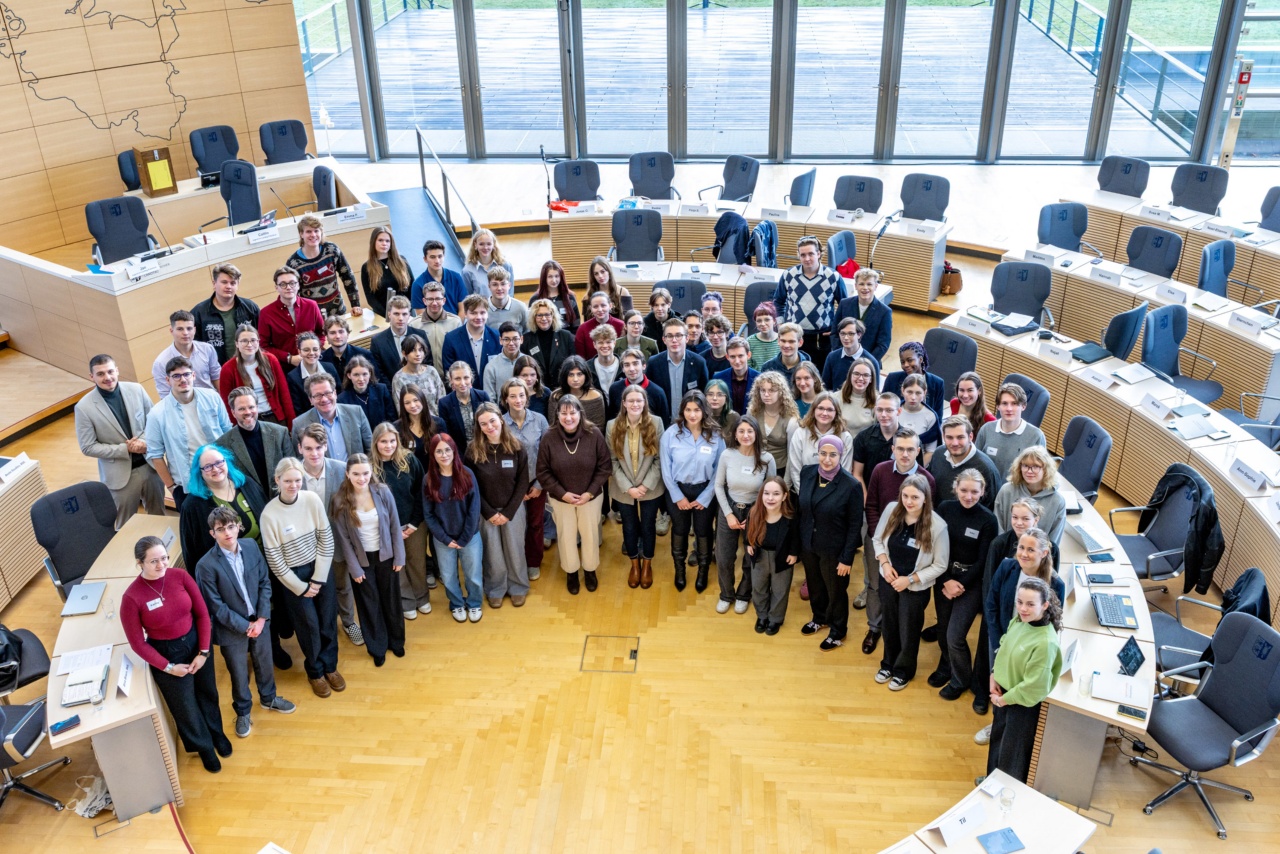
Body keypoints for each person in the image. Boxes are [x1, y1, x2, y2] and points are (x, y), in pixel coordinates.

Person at [122, 536, 229, 773]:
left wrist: (203, 652)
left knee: (207, 692)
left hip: (195, 642)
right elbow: (138, 643)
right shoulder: (131, 597)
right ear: (140, 563)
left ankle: (216, 733)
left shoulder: (180, 577)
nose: (161, 565)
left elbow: (202, 615)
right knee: (185, 706)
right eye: (153, 561)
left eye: (164, 558)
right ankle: (204, 747)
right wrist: (169, 667)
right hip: (166, 652)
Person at [195, 507, 297, 740]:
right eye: (220, 529)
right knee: (239, 673)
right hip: (232, 628)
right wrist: (245, 626)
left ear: (238, 526)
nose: (227, 533)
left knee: (265, 662)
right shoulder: (205, 565)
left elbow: (264, 582)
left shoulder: (251, 547)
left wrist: (261, 619)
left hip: (259, 621)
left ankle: (269, 698)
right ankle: (242, 711)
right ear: (213, 534)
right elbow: (215, 605)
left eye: (231, 527)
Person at [261, 458, 344, 698]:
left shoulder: (312, 500)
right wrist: (301, 587)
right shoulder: (269, 515)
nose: (293, 485)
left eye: (298, 480)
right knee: (308, 627)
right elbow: (275, 560)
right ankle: (316, 671)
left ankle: (330, 667)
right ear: (277, 481)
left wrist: (318, 579)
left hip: (320, 567)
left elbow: (326, 539)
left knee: (328, 619)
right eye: (287, 481)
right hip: (293, 577)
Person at [983, 526, 1065, 738]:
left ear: (1044, 553)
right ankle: (996, 724)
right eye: (1021, 547)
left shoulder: (1055, 583)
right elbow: (991, 604)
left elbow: (1053, 621)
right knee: (998, 685)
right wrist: (999, 640)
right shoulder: (1007, 566)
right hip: (1003, 637)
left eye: (1031, 549)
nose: (1024, 554)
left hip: (1027, 647)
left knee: (1017, 692)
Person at [861, 427, 936, 654]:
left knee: (904, 590)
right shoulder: (880, 470)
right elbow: (871, 505)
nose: (905, 454)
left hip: (910, 547)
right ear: (893, 449)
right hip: (879, 540)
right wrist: (879, 539)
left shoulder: (927, 479)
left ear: (918, 451)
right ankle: (875, 628)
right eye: (900, 449)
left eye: (910, 449)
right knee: (875, 584)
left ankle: (900, 634)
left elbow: (929, 517)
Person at [872, 475, 948, 688]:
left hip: (914, 588)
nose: (909, 501)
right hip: (888, 579)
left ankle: (903, 670)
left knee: (908, 629)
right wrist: (885, 564)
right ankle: (887, 663)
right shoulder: (891, 510)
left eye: (915, 497)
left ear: (926, 498)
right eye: (905, 496)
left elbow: (940, 565)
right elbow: (877, 540)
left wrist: (911, 580)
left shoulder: (937, 526)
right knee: (889, 624)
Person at [329, 454, 406, 667]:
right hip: (361, 561)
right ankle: (377, 646)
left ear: (371, 472)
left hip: (386, 555)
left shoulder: (383, 492)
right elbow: (343, 539)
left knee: (391, 600)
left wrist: (399, 556)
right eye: (356, 474)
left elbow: (394, 524)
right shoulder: (340, 500)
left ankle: (396, 641)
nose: (361, 478)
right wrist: (354, 568)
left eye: (365, 473)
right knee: (369, 604)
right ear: (347, 474)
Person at [987, 577, 1064, 784]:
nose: (1022, 609)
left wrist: (1003, 700)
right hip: (1003, 695)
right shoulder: (1021, 620)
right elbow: (1004, 646)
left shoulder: (1045, 643)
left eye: (1030, 604)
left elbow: (1034, 687)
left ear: (1045, 605)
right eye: (1019, 602)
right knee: (997, 742)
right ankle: (990, 782)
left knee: (1011, 756)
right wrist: (994, 674)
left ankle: (1003, 794)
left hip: (1020, 705)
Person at [75, 354, 165, 527]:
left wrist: (144, 442)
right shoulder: (83, 407)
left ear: (117, 370)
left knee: (159, 516)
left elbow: (154, 421)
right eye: (100, 374)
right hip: (120, 476)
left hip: (151, 466)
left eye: (110, 371)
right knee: (123, 526)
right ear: (91, 377)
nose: (107, 377)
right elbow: (87, 447)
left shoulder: (136, 389)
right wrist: (125, 450)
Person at [295, 424, 363, 649]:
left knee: (343, 585)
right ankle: (324, 628)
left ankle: (349, 622)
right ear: (299, 448)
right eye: (308, 448)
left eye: (318, 447)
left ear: (325, 447)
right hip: (306, 547)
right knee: (316, 589)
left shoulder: (341, 469)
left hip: (338, 542)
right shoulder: (293, 475)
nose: (314, 453)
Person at [933, 469, 998, 702]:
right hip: (943, 575)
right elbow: (935, 547)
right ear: (955, 489)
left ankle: (961, 679)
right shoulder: (944, 509)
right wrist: (945, 581)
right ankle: (946, 665)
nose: (968, 496)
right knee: (942, 629)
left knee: (955, 636)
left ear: (982, 492)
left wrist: (958, 584)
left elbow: (983, 561)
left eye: (974, 491)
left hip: (970, 584)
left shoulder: (988, 520)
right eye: (963, 490)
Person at [536, 395, 612, 595]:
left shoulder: (593, 433)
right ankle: (571, 572)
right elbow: (543, 472)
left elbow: (605, 467)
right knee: (566, 536)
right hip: (562, 499)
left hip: (591, 497)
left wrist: (589, 493)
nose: (568, 417)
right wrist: (563, 494)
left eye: (572, 412)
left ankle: (589, 570)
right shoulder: (549, 437)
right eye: (564, 413)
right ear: (557, 415)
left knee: (590, 535)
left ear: (580, 413)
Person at [796, 435, 864, 651]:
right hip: (809, 544)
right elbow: (802, 512)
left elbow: (855, 525)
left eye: (832, 454)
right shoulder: (807, 472)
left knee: (836, 591)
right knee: (815, 586)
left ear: (840, 456)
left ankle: (837, 630)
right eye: (823, 453)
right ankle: (820, 617)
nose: (827, 459)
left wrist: (847, 558)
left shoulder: (851, 485)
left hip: (835, 550)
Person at [146, 356, 234, 511]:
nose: (183, 379)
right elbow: (155, 455)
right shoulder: (157, 414)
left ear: (193, 375)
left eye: (186, 374)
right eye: (176, 376)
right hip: (187, 484)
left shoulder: (213, 397)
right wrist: (172, 487)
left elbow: (228, 434)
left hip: (221, 475)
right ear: (168, 380)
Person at [660, 391, 725, 593]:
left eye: (697, 410)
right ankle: (679, 571)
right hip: (677, 489)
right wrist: (677, 496)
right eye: (688, 410)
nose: (692, 414)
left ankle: (703, 572)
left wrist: (706, 496)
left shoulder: (716, 435)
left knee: (703, 531)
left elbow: (719, 469)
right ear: (682, 411)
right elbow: (665, 468)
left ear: (704, 410)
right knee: (679, 530)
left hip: (705, 489)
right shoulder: (671, 434)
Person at [468, 403, 531, 608]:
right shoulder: (472, 451)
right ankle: (495, 588)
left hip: (513, 510)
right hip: (485, 512)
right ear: (479, 426)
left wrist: (509, 512)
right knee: (492, 552)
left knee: (515, 549)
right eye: (483, 423)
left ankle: (518, 587)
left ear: (501, 420)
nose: (489, 426)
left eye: (492, 421)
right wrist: (487, 512)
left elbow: (523, 481)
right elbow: (472, 486)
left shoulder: (517, 446)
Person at [714, 415, 776, 614]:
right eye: (741, 431)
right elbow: (718, 485)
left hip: (755, 510)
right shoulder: (727, 455)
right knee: (724, 557)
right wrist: (728, 514)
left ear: (756, 434)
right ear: (735, 434)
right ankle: (726, 594)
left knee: (751, 557)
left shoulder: (767, 458)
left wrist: (755, 516)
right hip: (729, 508)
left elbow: (772, 490)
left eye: (750, 431)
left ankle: (743, 594)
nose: (746, 435)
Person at [370, 423, 431, 621]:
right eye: (383, 441)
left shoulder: (409, 460)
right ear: (375, 442)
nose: (389, 445)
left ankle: (421, 597)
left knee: (416, 561)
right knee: (398, 564)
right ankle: (406, 601)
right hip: (387, 528)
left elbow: (422, 492)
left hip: (413, 524)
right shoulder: (369, 467)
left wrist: (414, 523)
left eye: (392, 441)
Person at [178, 443, 268, 577]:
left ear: (227, 462)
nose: (215, 469)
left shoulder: (247, 484)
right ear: (200, 472)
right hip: (230, 578)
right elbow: (191, 553)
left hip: (268, 564)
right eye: (208, 467)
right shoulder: (192, 506)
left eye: (219, 462)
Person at [607, 385, 665, 589]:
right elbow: (612, 462)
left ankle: (647, 564)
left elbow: (659, 459)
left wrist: (645, 485)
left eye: (639, 401)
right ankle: (634, 565)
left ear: (644, 403)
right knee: (629, 527)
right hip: (624, 489)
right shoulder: (612, 426)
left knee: (648, 526)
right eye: (630, 400)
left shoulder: (656, 423)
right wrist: (628, 488)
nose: (634, 404)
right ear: (623, 403)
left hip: (650, 487)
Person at [424, 434, 484, 622]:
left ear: (454, 451)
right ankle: (457, 604)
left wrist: (465, 537)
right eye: (439, 451)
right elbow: (429, 514)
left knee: (473, 574)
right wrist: (444, 538)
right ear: (433, 455)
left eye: (447, 450)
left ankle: (474, 603)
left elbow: (474, 510)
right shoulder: (429, 480)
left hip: (469, 537)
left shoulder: (467, 474)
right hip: (443, 540)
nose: (444, 455)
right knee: (449, 577)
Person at [501, 377, 551, 582]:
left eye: (521, 395)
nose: (518, 400)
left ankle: (533, 561)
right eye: (512, 396)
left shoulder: (539, 420)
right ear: (505, 399)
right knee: (514, 526)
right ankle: (516, 562)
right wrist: (517, 489)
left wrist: (539, 485)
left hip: (537, 482)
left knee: (536, 524)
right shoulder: (501, 423)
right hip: (511, 486)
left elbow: (548, 454)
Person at [773, 235, 845, 367]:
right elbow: (778, 301)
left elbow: (844, 305)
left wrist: (837, 327)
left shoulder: (833, 277)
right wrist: (780, 324)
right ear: (798, 255)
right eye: (803, 255)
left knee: (819, 375)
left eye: (811, 254)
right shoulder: (788, 275)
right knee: (794, 375)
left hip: (821, 337)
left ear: (818, 254)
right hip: (793, 336)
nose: (807, 259)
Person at [216, 387, 295, 496]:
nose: (248, 412)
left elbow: (292, 469)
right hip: (250, 504)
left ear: (257, 408)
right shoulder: (223, 444)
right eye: (241, 409)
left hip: (282, 498)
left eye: (251, 407)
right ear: (233, 413)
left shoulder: (280, 432)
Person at [745, 476, 798, 635]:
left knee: (780, 590)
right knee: (758, 588)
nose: (770, 498)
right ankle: (762, 615)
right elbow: (749, 531)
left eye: (776, 494)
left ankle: (775, 618)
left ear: (784, 496)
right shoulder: (754, 512)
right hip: (760, 557)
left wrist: (794, 553)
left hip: (781, 558)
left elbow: (796, 537)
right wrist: (749, 543)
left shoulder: (790, 516)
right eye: (766, 493)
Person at [219, 323, 294, 428]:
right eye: (244, 341)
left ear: (258, 342)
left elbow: (284, 394)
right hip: (247, 422)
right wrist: (236, 428)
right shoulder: (228, 369)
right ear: (236, 344)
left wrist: (291, 424)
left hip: (275, 418)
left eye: (253, 340)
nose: (249, 344)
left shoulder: (271, 360)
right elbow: (227, 405)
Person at [285, 214, 362, 317]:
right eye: (308, 231)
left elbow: (347, 276)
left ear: (321, 232)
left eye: (316, 231)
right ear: (301, 234)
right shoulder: (293, 263)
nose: (313, 235)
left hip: (339, 313)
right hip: (313, 317)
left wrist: (355, 304)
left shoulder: (331, 250)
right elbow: (292, 295)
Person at [993, 446, 1067, 545]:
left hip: (1038, 556)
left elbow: (1053, 542)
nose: (1029, 471)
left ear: (1046, 469)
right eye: (1025, 466)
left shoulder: (1058, 501)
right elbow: (998, 528)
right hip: (1006, 552)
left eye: (1036, 466)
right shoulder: (1006, 491)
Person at [291, 373, 373, 462]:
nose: (324, 399)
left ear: (335, 393)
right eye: (318, 395)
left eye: (328, 393)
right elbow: (300, 460)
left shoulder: (356, 413)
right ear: (311, 400)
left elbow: (370, 449)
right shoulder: (300, 424)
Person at [928, 415, 1002, 510]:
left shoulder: (986, 468)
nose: (955, 443)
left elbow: (991, 507)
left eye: (960, 437)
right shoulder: (938, 454)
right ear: (943, 437)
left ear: (970, 436)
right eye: (949, 437)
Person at [975, 382, 1046, 482]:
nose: (1009, 409)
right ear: (998, 406)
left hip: (1018, 494)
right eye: (1004, 403)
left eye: (1014, 404)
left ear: (1023, 406)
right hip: (986, 491)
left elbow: (1039, 475)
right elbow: (975, 465)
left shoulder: (1036, 436)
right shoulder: (986, 430)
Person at [258, 267, 325, 371]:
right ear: (276, 287)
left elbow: (321, 333)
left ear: (298, 285)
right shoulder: (266, 313)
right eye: (283, 284)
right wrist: (288, 358)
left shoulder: (311, 306)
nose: (288, 287)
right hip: (285, 368)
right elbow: (263, 347)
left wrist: (314, 351)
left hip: (314, 363)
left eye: (292, 283)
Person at [785, 392, 853, 493]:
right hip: (804, 492)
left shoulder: (845, 437)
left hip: (833, 494)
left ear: (836, 413)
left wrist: (831, 499)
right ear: (813, 410)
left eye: (829, 410)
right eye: (821, 408)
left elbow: (845, 471)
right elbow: (795, 469)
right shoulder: (800, 433)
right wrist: (805, 496)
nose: (824, 413)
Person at [192, 263, 259, 363]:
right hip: (216, 370)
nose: (229, 286)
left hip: (249, 364)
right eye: (224, 282)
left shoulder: (250, 307)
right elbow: (193, 347)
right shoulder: (198, 312)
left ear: (237, 285)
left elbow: (261, 337)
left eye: (233, 283)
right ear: (214, 284)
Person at [646, 317, 709, 410]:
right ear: (664, 339)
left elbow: (704, 395)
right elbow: (649, 395)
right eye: (670, 336)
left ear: (687, 338)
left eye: (678, 335)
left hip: (690, 420)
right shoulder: (654, 363)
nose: (674, 340)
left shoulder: (699, 363)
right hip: (662, 421)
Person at [154, 310, 220, 397]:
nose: (185, 333)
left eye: (189, 328)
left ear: (194, 330)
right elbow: (165, 395)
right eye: (180, 329)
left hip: (211, 402)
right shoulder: (161, 362)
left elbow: (217, 378)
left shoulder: (207, 349)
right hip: (182, 407)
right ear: (171, 331)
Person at [832, 268, 892, 362]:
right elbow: (834, 332)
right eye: (861, 284)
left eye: (869, 284)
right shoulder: (844, 304)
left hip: (869, 363)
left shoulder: (885, 312)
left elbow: (883, 344)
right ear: (855, 286)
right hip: (843, 358)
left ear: (876, 286)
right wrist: (840, 354)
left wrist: (866, 362)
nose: (865, 288)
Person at [747, 371, 799, 478]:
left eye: (771, 390)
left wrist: (787, 481)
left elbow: (792, 455)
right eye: (763, 390)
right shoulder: (752, 413)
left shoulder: (791, 420)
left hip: (780, 469)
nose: (766, 394)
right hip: (755, 466)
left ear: (781, 392)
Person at [370, 296, 431, 387]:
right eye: (396, 314)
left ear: (409, 315)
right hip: (393, 391)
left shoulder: (420, 335)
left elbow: (428, 362)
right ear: (389, 314)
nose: (401, 318)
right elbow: (379, 373)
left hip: (421, 388)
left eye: (404, 314)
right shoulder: (378, 341)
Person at [882, 342, 945, 429]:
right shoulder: (892, 379)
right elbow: (883, 408)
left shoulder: (937, 383)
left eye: (910, 360)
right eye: (902, 362)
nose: (906, 365)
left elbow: (938, 419)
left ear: (920, 359)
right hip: (896, 430)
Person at [442, 295, 501, 381]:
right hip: (463, 392)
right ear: (465, 313)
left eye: (482, 313)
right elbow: (449, 373)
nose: (478, 317)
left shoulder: (497, 337)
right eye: (473, 313)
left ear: (487, 313)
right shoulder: (451, 339)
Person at [360, 225, 413, 319]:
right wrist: (388, 315)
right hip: (384, 316)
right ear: (373, 242)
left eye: (387, 241)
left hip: (406, 313)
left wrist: (406, 311)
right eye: (380, 240)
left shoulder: (402, 261)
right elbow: (371, 299)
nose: (384, 243)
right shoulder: (366, 267)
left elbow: (412, 287)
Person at [607, 348, 669, 426]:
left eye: (635, 364)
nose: (631, 369)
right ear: (622, 369)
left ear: (644, 366)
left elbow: (664, 424)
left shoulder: (657, 392)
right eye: (627, 365)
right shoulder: (615, 389)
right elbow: (611, 420)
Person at [412, 280, 463, 375]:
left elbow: (460, 352)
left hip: (450, 377)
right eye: (430, 299)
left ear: (444, 300)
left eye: (438, 299)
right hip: (425, 377)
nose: (434, 303)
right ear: (424, 301)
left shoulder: (455, 322)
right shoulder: (414, 325)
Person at [439, 361, 491, 451]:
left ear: (471, 377)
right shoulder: (444, 404)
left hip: (485, 448)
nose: (462, 383)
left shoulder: (482, 397)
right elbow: (447, 435)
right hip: (459, 452)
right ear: (451, 380)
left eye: (466, 377)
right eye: (457, 379)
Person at [522, 298, 576, 384]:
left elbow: (573, 364)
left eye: (547, 314)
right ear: (533, 317)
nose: (544, 318)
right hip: (537, 388)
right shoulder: (526, 340)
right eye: (539, 315)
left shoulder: (566, 336)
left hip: (562, 387)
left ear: (553, 316)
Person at [286, 332, 340, 416]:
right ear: (299, 352)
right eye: (306, 350)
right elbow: (298, 408)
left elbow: (339, 394)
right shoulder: (292, 377)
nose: (311, 353)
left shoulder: (330, 368)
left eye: (315, 349)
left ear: (320, 350)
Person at [394, 384, 446, 473]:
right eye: (407, 403)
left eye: (415, 400)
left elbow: (447, 451)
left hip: (436, 474)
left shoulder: (439, 423)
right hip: (411, 476)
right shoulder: (397, 427)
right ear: (403, 405)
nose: (413, 405)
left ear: (422, 400)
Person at [821, 317, 880, 393]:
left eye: (851, 334)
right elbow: (825, 387)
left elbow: (875, 391)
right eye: (843, 333)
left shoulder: (871, 361)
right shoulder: (832, 357)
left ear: (859, 335)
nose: (846, 338)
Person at [338, 356, 397, 429]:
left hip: (384, 435)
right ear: (349, 375)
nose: (361, 379)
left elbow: (392, 418)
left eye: (364, 374)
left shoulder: (381, 390)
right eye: (356, 375)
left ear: (370, 373)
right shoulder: (342, 399)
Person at [411, 240, 467, 316]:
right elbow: (422, 316)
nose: (437, 261)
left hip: (456, 325)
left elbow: (463, 309)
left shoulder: (456, 278)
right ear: (425, 259)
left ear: (444, 257)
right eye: (432, 257)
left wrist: (457, 327)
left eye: (440, 256)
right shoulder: (418, 285)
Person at [391, 335, 447, 410]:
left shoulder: (432, 371)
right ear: (404, 354)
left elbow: (443, 400)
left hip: (437, 419)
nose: (418, 354)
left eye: (420, 350)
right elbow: (400, 409)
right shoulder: (399, 378)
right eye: (413, 350)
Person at [552, 355, 606, 429]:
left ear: (586, 375)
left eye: (579, 374)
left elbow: (599, 428)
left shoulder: (596, 396)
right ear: (565, 376)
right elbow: (553, 425)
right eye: (571, 375)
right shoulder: (556, 396)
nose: (575, 379)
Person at [320, 316, 376, 383]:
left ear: (348, 334)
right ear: (327, 336)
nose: (337, 336)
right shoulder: (321, 359)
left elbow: (375, 381)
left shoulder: (364, 354)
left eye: (341, 332)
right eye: (332, 333)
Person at [897, 374, 939, 461]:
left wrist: (915, 469)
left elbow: (930, 451)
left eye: (918, 393)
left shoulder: (930, 416)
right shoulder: (894, 411)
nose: (913, 397)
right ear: (902, 390)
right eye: (909, 392)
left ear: (925, 392)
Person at [461, 228, 513, 297]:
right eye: (481, 244)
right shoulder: (467, 271)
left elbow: (510, 293)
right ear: (475, 245)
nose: (485, 247)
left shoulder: (506, 265)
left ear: (493, 245)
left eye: (489, 244)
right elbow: (468, 298)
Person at [575, 291, 625, 360]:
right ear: (590, 308)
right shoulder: (583, 329)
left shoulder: (621, 326)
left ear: (610, 306)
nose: (600, 309)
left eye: (603, 305)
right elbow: (580, 358)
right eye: (595, 306)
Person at [713, 337, 758, 415]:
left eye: (740, 356)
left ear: (749, 355)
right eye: (733, 357)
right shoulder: (718, 378)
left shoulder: (759, 379)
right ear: (727, 357)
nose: (737, 361)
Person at [532, 260, 580, 331]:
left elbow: (576, 324)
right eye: (550, 277)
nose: (554, 280)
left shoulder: (570, 297)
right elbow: (532, 325)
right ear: (544, 278)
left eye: (557, 276)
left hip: (567, 339)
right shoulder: (536, 299)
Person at [483, 322, 525, 400]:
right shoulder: (492, 366)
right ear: (500, 340)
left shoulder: (529, 362)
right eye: (506, 339)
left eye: (515, 339)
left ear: (521, 339)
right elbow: (490, 399)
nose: (511, 343)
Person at [838, 357, 877, 434]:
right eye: (856, 374)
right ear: (850, 376)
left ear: (871, 379)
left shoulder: (878, 401)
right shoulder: (835, 398)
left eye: (865, 375)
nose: (861, 378)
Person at [484, 268, 528, 333]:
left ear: (509, 285)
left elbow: (527, 333)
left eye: (503, 284)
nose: (499, 288)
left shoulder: (521, 308)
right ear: (489, 286)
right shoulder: (483, 308)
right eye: (495, 284)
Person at [951, 371, 995, 436]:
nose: (965, 395)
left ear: (979, 391)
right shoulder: (954, 403)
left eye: (970, 390)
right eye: (961, 390)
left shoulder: (989, 419)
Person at [587, 325, 622, 402]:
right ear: (594, 345)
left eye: (608, 342)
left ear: (615, 343)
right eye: (600, 342)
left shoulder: (624, 366)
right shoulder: (587, 368)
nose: (605, 346)